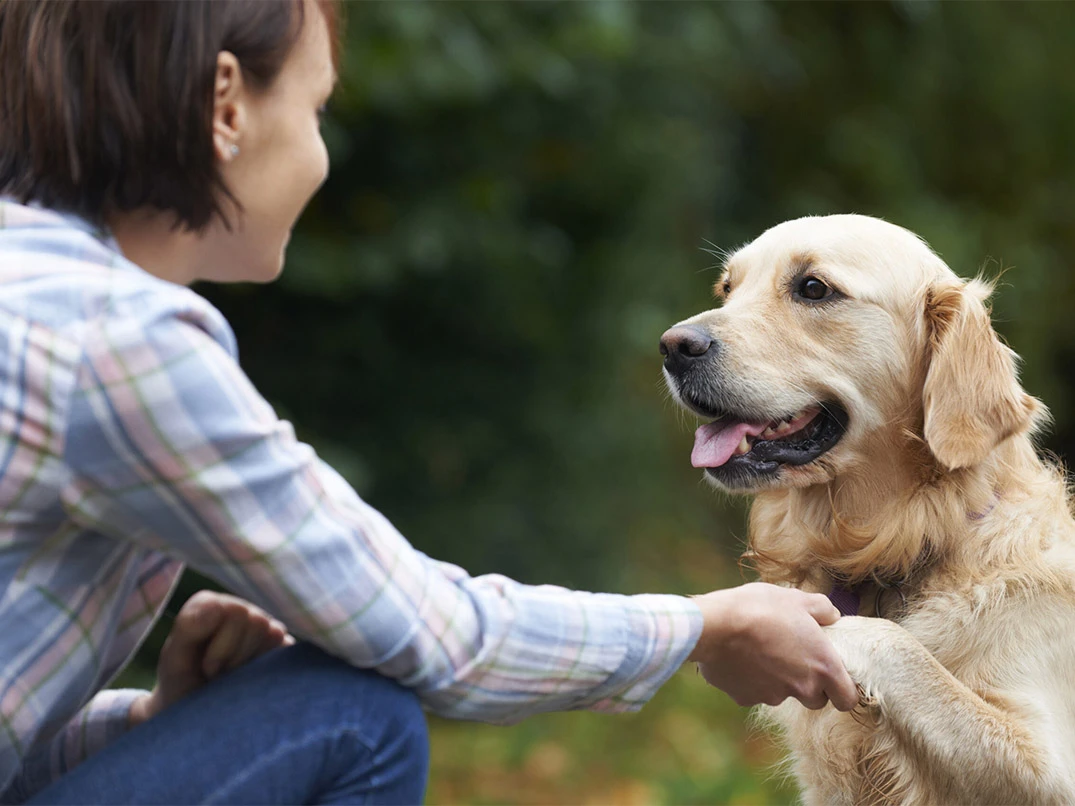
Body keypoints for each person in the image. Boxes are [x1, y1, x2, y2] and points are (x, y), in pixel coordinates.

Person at [0, 1, 858, 803]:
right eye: (316, 111)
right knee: (348, 714)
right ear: (227, 104)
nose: (319, 156)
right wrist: (705, 626)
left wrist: (151, 724)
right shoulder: (118, 341)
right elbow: (437, 636)